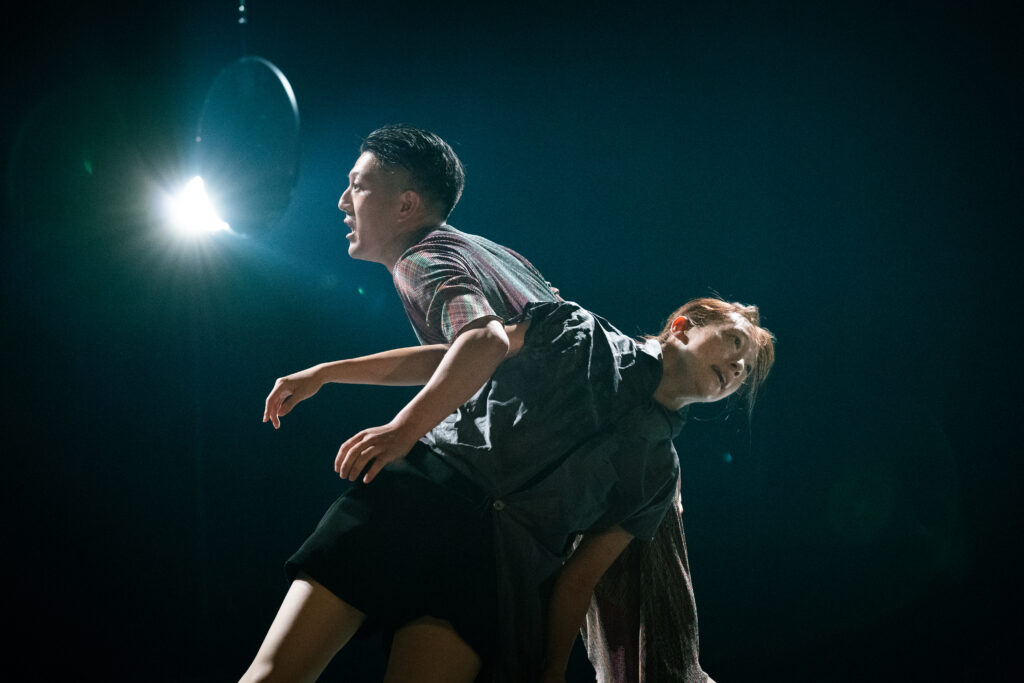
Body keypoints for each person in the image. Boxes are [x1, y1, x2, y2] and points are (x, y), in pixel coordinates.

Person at [242, 295, 775, 683]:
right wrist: (328, 373)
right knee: (275, 675)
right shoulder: (577, 328)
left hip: (493, 569)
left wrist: (550, 670)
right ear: (681, 326)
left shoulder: (659, 474)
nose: (737, 366)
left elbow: (580, 577)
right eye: (734, 343)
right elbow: (457, 356)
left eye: (745, 369)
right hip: (418, 499)